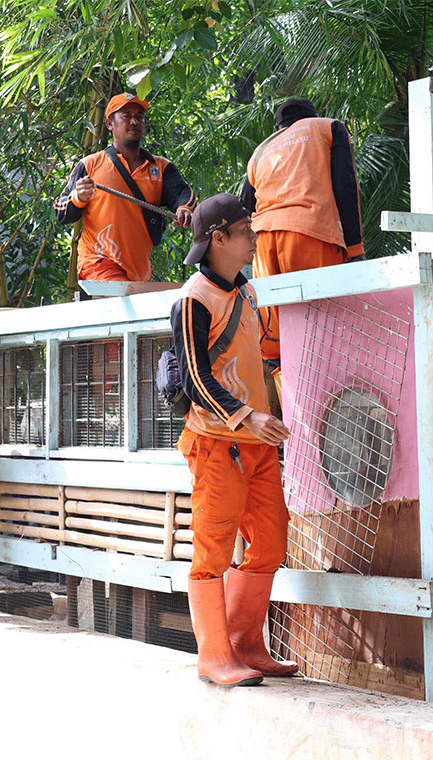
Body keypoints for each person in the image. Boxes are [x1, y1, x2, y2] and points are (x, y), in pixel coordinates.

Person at [172, 193, 296, 686]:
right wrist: (246, 415)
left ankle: (245, 643)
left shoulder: (245, 292)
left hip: (259, 443)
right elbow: (193, 380)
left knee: (270, 542)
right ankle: (214, 655)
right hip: (218, 443)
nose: (254, 239)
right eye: (246, 231)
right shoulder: (192, 298)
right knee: (214, 550)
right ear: (218, 238)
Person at [241, 97, 364, 369]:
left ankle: (286, 404)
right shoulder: (328, 127)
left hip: (264, 245)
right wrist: (354, 250)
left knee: (274, 339)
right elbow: (345, 187)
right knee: (324, 328)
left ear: (277, 128)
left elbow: (244, 209)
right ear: (312, 115)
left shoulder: (260, 151)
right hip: (311, 234)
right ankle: (321, 404)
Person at [54, 93, 195, 283]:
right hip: (99, 262)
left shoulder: (160, 167)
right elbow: (61, 211)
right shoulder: (90, 165)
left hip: (139, 271)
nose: (134, 122)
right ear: (109, 124)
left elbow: (181, 193)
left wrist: (184, 208)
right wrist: (78, 197)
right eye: (126, 116)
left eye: (139, 117)